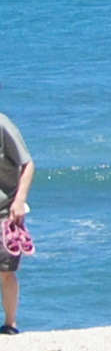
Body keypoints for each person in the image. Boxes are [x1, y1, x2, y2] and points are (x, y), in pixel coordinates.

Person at [0, 107, 33, 334]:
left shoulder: (3, 125)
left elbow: (28, 164)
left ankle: (10, 324)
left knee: (5, 270)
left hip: (5, 212)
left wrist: (19, 201)